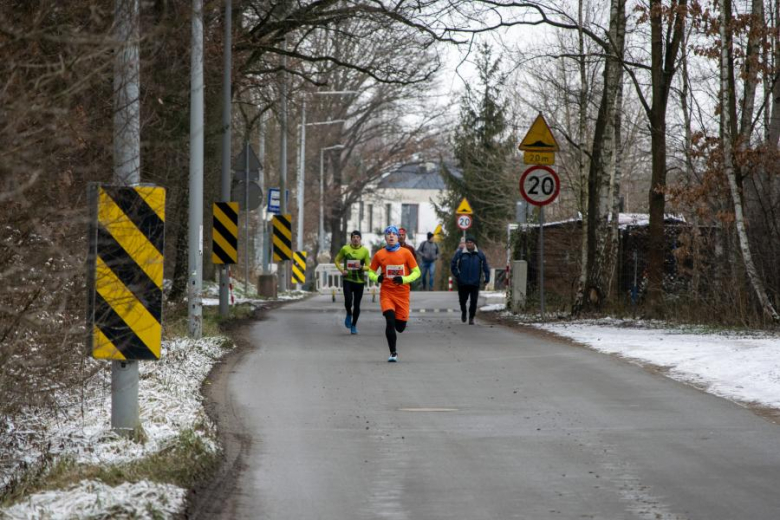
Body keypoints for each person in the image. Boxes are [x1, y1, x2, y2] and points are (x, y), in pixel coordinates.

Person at [369, 226, 421, 362]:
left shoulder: (406, 253)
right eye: (388, 234)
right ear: (385, 238)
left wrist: (404, 279)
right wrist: (377, 278)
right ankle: (393, 353)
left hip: (402, 294)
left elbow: (417, 272)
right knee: (390, 321)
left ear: (398, 237)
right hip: (387, 293)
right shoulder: (379, 254)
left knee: (400, 327)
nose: (391, 236)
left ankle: (402, 319)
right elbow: (370, 272)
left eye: (394, 234)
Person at [334, 230, 371, 334]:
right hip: (348, 280)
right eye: (354, 237)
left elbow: (369, 267)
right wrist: (342, 270)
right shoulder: (345, 249)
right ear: (351, 238)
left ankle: (354, 325)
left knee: (357, 305)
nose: (356, 239)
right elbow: (336, 260)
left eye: (358, 237)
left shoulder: (365, 251)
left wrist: (362, 267)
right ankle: (348, 313)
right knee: (348, 301)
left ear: (360, 239)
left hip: (359, 281)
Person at [450, 235, 490, 325]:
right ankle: (464, 312)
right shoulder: (460, 253)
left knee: (474, 301)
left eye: (471, 242)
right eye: (467, 242)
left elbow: (485, 267)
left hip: (475, 282)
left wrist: (486, 278)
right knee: (462, 300)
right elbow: (453, 264)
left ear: (474, 243)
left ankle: (471, 317)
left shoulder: (480, 254)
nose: (469, 244)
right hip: (462, 282)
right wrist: (458, 275)